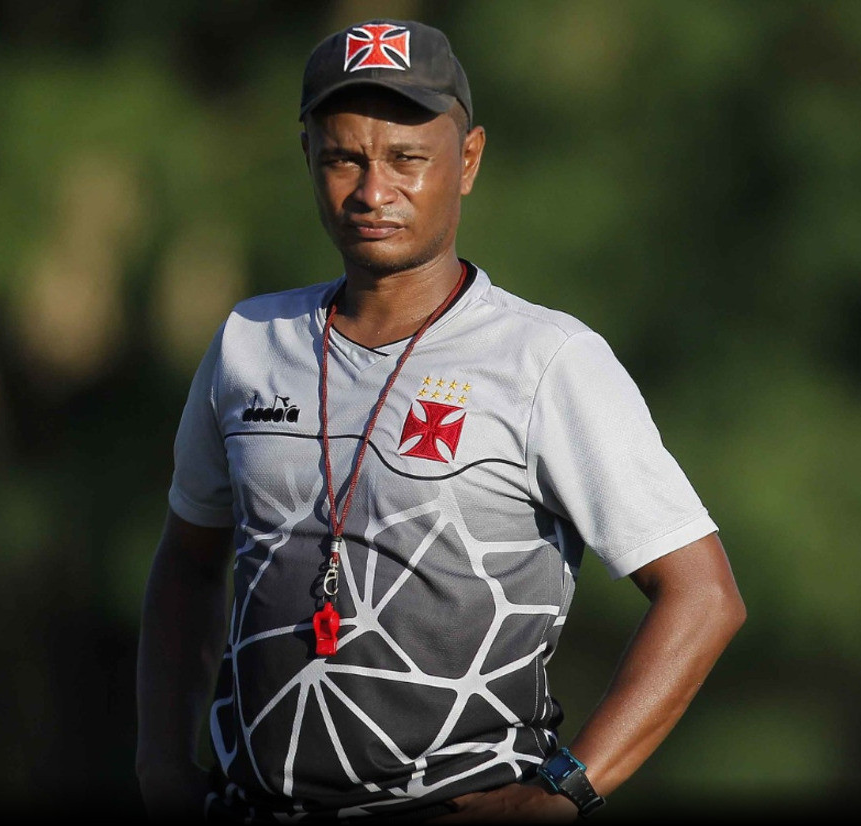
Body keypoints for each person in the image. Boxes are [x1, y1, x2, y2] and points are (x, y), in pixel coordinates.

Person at [137, 18, 745, 823]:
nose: (372, 191)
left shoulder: (546, 359)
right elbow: (186, 562)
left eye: (406, 159)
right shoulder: (250, 342)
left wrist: (567, 790)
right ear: (310, 161)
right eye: (343, 157)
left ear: (469, 161)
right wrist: (161, 766)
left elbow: (702, 596)